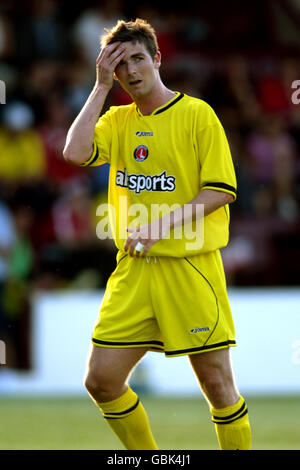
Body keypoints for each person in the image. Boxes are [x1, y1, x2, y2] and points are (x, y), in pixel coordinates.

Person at [63, 18, 251, 451]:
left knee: (218, 386)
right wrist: (98, 88)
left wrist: (161, 224)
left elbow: (221, 191)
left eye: (138, 59)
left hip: (189, 268)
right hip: (134, 270)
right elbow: (73, 152)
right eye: (120, 63)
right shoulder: (117, 118)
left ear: (157, 59)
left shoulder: (197, 114)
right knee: (102, 381)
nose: (130, 71)